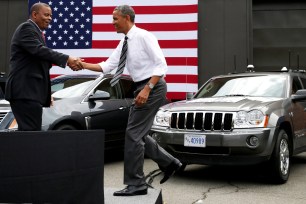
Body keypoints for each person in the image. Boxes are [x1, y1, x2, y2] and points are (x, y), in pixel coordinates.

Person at [81, 5, 182, 196]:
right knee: (138, 134)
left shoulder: (144, 36)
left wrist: (146, 89)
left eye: (115, 19)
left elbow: (161, 65)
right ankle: (170, 162)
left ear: (127, 18)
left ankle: (136, 183)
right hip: (142, 87)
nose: (112, 23)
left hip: (152, 86)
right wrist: (82, 64)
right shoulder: (125, 42)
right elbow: (108, 66)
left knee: (133, 134)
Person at [5, 2, 82, 131]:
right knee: (30, 134)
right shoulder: (26, 28)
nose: (50, 18)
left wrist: (46, 93)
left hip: (30, 94)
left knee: (31, 133)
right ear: (34, 14)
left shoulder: (36, 32)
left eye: (51, 16)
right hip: (24, 93)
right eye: (46, 15)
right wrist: (67, 59)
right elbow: (40, 51)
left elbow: (41, 62)